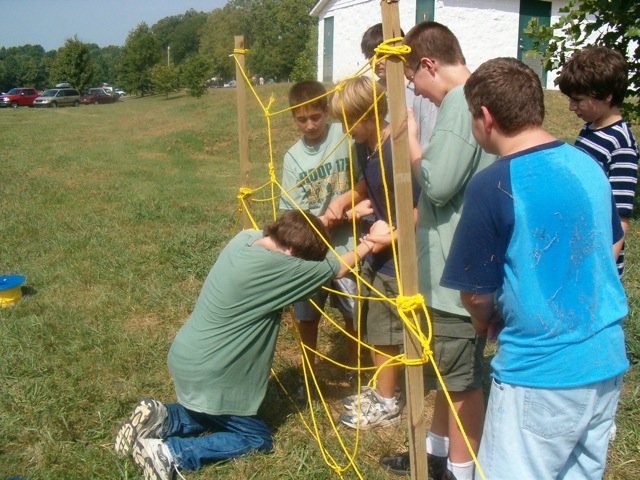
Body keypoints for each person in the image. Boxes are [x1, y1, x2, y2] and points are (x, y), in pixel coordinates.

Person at [441, 56, 629, 479]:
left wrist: (485, 318)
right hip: (604, 362)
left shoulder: (494, 184)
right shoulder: (588, 165)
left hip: (541, 374)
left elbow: (474, 292)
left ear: (485, 117)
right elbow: (614, 238)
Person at [114, 210, 380, 480]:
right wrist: (370, 242)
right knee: (255, 437)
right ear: (289, 252)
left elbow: (299, 234)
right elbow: (338, 268)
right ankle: (171, 452)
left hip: (187, 355)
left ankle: (163, 417)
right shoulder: (278, 267)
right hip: (214, 372)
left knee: (214, 414)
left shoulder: (245, 239)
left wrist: (322, 223)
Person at [379, 21, 497, 480]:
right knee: (451, 378)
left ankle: (459, 471)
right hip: (458, 269)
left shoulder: (458, 101)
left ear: (429, 64)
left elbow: (439, 182)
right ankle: (435, 455)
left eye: (413, 80)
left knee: (463, 383)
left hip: (457, 275)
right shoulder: (471, 98)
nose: (417, 92)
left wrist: (409, 142)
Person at [327, 75, 421, 430]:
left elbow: (417, 208)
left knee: (385, 329)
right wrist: (346, 198)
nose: (344, 129)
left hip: (397, 250)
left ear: (369, 114)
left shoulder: (394, 150)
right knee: (372, 321)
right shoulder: (362, 146)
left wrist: (393, 236)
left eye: (349, 121)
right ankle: (382, 388)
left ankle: (387, 401)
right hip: (378, 243)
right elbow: (369, 182)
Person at [279, 80, 371, 385]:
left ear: (325, 111)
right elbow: (292, 212)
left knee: (352, 308)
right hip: (311, 251)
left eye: (315, 117)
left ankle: (355, 366)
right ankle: (310, 369)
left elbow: (364, 181)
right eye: (301, 119)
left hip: (348, 245)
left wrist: (345, 208)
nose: (309, 125)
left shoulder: (344, 137)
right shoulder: (292, 158)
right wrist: (324, 220)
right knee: (307, 311)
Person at [558, 46, 638, 276]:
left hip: (597, 259)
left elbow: (620, 216)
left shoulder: (620, 143)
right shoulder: (590, 129)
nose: (572, 107)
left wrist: (603, 272)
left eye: (578, 100)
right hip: (578, 244)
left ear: (607, 96)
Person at [360, 23, 438, 153]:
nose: (376, 62)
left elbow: (428, 141)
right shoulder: (371, 92)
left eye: (381, 55)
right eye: (371, 57)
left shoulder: (419, 91)